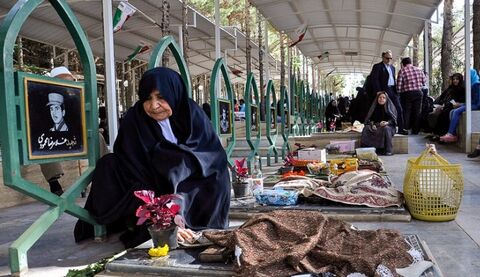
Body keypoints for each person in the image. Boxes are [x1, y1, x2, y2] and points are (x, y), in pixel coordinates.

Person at [74, 67, 231, 248]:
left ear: (174, 93)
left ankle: (201, 223)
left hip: (193, 175)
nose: (154, 105)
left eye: (161, 97)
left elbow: (211, 152)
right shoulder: (135, 118)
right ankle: (164, 225)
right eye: (147, 98)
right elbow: (131, 159)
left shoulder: (192, 113)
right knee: (113, 165)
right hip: (150, 176)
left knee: (212, 172)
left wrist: (178, 159)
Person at [369, 50, 406, 134]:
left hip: (393, 90)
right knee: (385, 110)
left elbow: (393, 79)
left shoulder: (392, 68)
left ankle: (401, 129)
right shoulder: (377, 66)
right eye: (387, 58)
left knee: (399, 109)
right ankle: (382, 128)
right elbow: (374, 80)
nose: (389, 60)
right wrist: (378, 91)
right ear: (383, 57)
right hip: (383, 90)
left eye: (390, 58)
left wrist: (397, 91)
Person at [440, 69, 480, 142]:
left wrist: (462, 104)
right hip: (472, 104)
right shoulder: (472, 84)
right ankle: (453, 134)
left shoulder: (476, 85)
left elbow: (476, 101)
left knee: (456, 111)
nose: (465, 78)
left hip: (476, 105)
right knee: (452, 111)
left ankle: (450, 133)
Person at [427, 73, 464, 141]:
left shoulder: (462, 89)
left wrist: (456, 104)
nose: (455, 81)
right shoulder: (451, 88)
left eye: (457, 79)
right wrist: (442, 104)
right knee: (441, 113)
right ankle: (437, 134)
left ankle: (442, 135)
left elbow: (461, 100)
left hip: (456, 106)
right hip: (448, 106)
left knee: (445, 114)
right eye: (454, 79)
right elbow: (443, 98)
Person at [396, 57, 426, 135]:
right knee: (417, 112)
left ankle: (405, 129)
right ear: (410, 62)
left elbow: (399, 85)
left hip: (407, 94)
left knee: (406, 112)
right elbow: (424, 82)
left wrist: (398, 93)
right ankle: (416, 130)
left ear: (403, 64)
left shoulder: (402, 71)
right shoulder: (419, 70)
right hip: (418, 93)